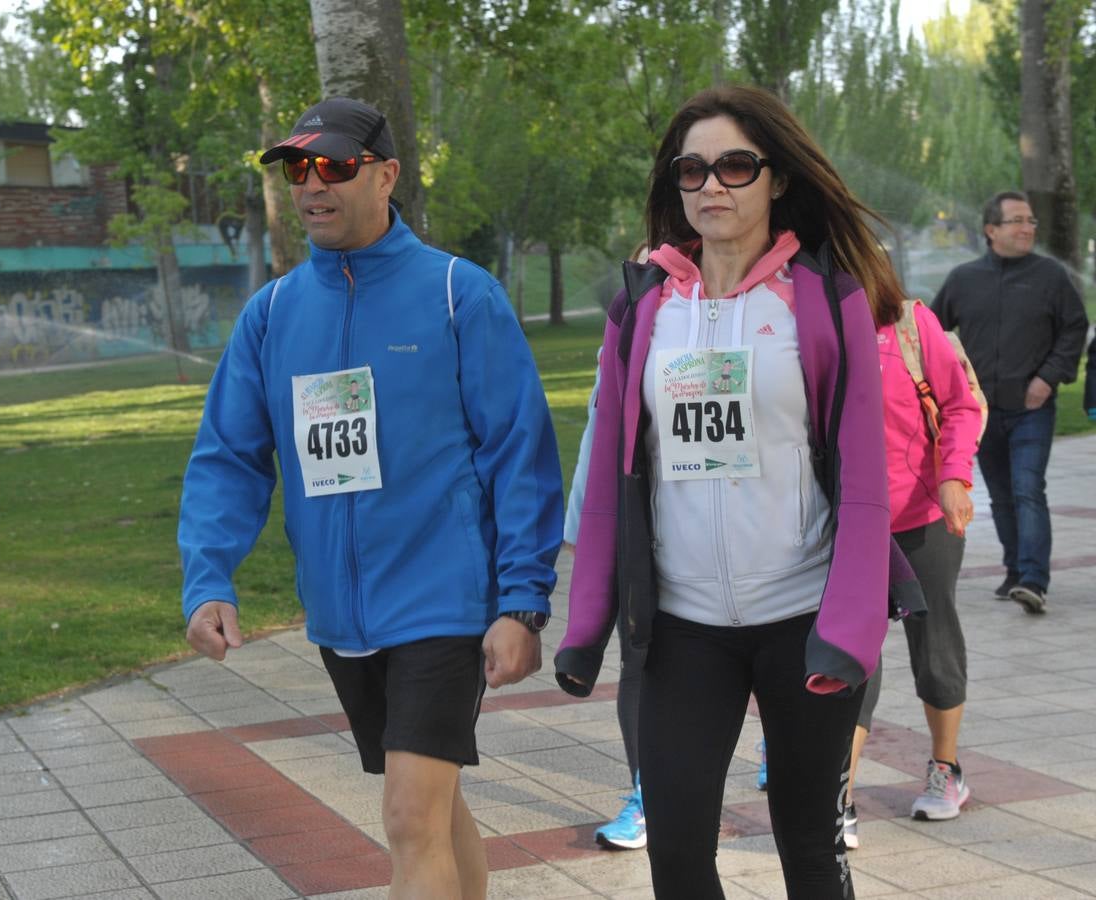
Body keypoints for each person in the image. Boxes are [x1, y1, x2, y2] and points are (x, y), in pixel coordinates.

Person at [177, 96, 562, 899]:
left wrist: (521, 602)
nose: (314, 184)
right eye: (298, 168)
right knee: (436, 813)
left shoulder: (462, 295)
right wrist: (208, 575)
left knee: (408, 820)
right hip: (341, 614)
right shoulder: (274, 313)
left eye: (336, 166)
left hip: (444, 603)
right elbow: (229, 458)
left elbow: (519, 456)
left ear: (385, 175)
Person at [555, 85, 898, 899]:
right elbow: (610, 476)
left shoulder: (824, 297)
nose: (712, 185)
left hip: (801, 618)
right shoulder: (641, 309)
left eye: (735, 166)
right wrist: (584, 624)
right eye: (693, 169)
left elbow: (863, 477)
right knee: (676, 859)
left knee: (810, 854)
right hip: (683, 628)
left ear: (776, 179)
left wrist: (849, 626)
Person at [840, 299, 983, 849]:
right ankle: (841, 799)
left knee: (935, 645)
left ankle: (946, 768)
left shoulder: (907, 322)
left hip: (923, 517)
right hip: (851, 522)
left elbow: (961, 405)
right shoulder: (808, 317)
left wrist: (954, 477)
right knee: (853, 655)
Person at [931, 192, 1088, 613]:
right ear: (991, 230)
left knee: (1027, 488)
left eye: (1031, 220)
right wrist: (953, 386)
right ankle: (1015, 570)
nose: (1028, 228)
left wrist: (1048, 377)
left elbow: (1075, 328)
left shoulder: (1051, 277)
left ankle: (1034, 578)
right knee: (1001, 495)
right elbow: (932, 335)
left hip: (1032, 408)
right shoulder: (963, 279)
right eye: (1017, 220)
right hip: (981, 412)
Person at [564, 352, 648, 851]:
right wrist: (583, 524)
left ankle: (776, 743)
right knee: (638, 659)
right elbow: (600, 432)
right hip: (636, 524)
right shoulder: (629, 321)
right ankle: (649, 794)